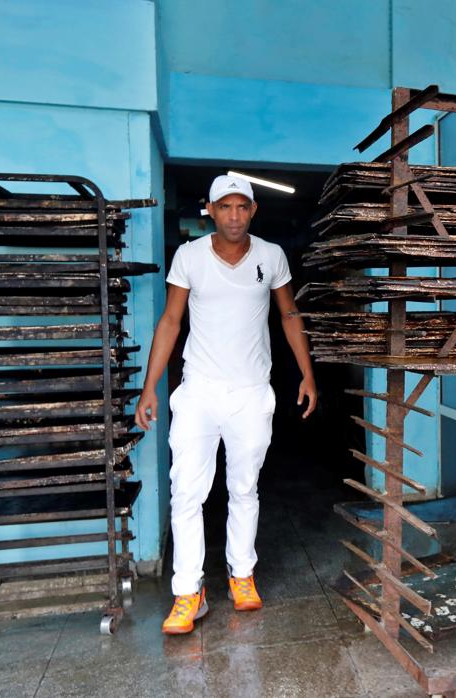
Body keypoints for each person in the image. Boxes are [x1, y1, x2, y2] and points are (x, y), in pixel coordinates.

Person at [135, 174, 318, 635]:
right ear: (210, 210)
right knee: (186, 493)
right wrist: (149, 386)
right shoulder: (189, 257)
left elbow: (289, 314)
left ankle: (241, 575)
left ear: (253, 211)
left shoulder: (271, 256)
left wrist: (308, 373)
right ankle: (188, 593)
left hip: (251, 392)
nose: (234, 216)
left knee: (244, 489)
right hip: (198, 392)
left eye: (242, 207)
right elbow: (171, 321)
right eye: (225, 207)